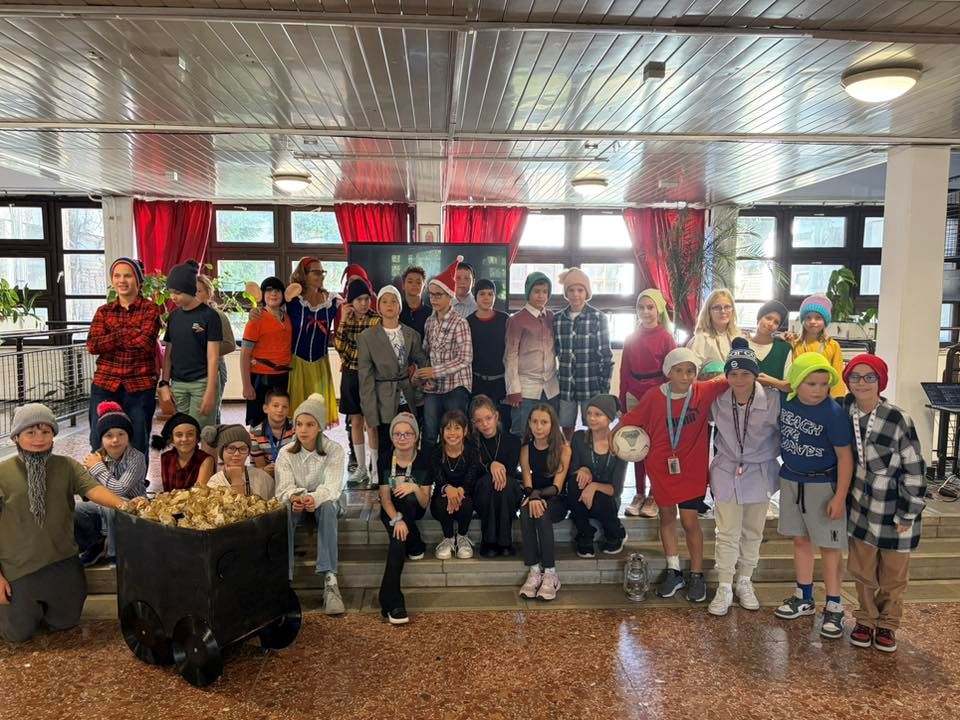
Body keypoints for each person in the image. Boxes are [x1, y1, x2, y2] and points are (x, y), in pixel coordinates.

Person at [0, 404, 127, 642]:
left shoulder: (67, 466)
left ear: (53, 435)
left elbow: (94, 489)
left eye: (45, 432)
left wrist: (124, 506)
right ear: (16, 437)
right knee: (17, 634)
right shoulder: (2, 473)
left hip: (62, 560)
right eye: (30, 432)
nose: (39, 439)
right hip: (18, 567)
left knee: (66, 621)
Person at [617, 348, 729, 604]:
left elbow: (733, 377)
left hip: (691, 469)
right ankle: (673, 569)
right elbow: (631, 419)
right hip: (661, 468)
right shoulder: (654, 397)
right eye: (679, 371)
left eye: (690, 371)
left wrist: (776, 382)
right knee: (667, 517)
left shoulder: (703, 391)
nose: (685, 376)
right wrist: (613, 436)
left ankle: (697, 574)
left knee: (690, 522)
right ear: (668, 372)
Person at [842, 355, 926, 653]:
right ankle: (865, 619)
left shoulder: (897, 418)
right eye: (855, 377)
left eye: (870, 377)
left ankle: (888, 623)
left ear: (881, 381)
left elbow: (914, 468)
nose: (862, 383)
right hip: (859, 506)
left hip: (894, 507)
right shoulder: (843, 412)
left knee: (894, 573)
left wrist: (909, 512)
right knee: (862, 569)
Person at [773, 353, 853, 640]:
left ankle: (834, 604)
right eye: (811, 384)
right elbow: (783, 384)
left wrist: (840, 496)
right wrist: (770, 379)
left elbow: (845, 458)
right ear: (797, 383)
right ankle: (804, 595)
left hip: (823, 484)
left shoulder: (833, 413)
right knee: (800, 540)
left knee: (829, 546)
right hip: (792, 479)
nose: (818, 390)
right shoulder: (788, 400)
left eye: (824, 384)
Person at [706, 340, 781, 616]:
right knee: (726, 531)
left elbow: (798, 391)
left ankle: (745, 580)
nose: (739, 379)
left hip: (759, 471)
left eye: (746, 373)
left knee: (753, 531)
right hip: (727, 470)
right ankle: (725, 584)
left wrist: (777, 382)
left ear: (756, 375)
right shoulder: (718, 399)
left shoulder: (772, 399)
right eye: (733, 374)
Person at [275, 393, 346, 615]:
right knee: (283, 511)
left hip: (325, 500)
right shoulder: (286, 453)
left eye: (309, 424)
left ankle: (330, 580)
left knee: (327, 507)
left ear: (320, 427)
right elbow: (283, 489)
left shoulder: (334, 450)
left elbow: (332, 487)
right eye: (299, 424)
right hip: (299, 500)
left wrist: (314, 499)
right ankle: (283, 581)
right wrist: (294, 498)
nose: (303, 430)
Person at [86, 257, 161, 458]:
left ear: (138, 280)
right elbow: (93, 345)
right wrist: (127, 332)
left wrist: (111, 337)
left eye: (127, 275)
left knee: (138, 440)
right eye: (117, 276)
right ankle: (101, 476)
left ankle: (135, 477)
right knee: (99, 438)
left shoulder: (151, 309)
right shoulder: (103, 311)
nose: (122, 280)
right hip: (105, 384)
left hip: (139, 385)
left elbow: (144, 344)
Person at [358, 285, 429, 482]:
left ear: (400, 306)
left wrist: (420, 380)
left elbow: (422, 361)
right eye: (385, 301)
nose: (389, 305)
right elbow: (365, 377)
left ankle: (409, 479)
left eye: (394, 301)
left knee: (409, 435)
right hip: (382, 396)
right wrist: (369, 410)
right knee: (386, 440)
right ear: (378, 306)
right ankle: (384, 481)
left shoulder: (411, 334)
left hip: (407, 393)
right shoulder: (367, 337)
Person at [620, 289, 675, 519]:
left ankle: (654, 494)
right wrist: (623, 402)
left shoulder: (666, 338)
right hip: (634, 393)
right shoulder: (631, 338)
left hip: (657, 394)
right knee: (637, 444)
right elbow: (624, 371)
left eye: (650, 307)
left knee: (655, 446)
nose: (645, 311)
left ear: (659, 310)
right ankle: (640, 493)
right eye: (641, 307)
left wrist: (668, 399)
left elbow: (671, 372)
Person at [75, 401, 148, 567]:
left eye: (121, 434)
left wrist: (97, 468)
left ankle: (114, 553)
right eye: (109, 435)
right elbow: (88, 491)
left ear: (129, 436)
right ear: (101, 439)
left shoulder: (136, 458)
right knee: (77, 509)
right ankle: (94, 544)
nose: (115, 440)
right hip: (103, 508)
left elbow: (120, 490)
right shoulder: (96, 457)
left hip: (134, 506)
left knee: (112, 506)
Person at [377, 412, 431, 625]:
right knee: (398, 541)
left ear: (416, 436)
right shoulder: (384, 458)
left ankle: (388, 598)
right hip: (391, 510)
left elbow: (425, 502)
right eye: (397, 434)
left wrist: (415, 487)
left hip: (414, 507)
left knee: (406, 498)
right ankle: (393, 601)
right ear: (392, 437)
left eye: (407, 433)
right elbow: (384, 498)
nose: (402, 438)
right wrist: (397, 520)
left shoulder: (424, 458)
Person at [414, 256, 472, 451]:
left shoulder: (460, 322)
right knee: (430, 433)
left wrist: (435, 371)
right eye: (431, 295)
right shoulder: (429, 322)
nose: (434, 299)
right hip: (433, 387)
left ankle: (457, 466)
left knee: (455, 432)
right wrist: (422, 373)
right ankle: (429, 469)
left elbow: (465, 358)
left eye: (439, 295)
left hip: (455, 386)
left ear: (450, 296)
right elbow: (426, 351)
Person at [158, 260, 223, 429]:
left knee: (202, 431)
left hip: (202, 382)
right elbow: (168, 354)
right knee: (183, 431)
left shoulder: (209, 316)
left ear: (190, 290)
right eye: (171, 292)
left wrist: (210, 391)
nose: (173, 297)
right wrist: (164, 383)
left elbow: (213, 357)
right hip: (178, 384)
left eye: (178, 293)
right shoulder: (174, 317)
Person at [518, 403, 571, 601]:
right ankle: (534, 570)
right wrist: (532, 496)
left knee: (541, 513)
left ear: (552, 424)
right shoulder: (525, 449)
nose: (538, 427)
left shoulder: (564, 449)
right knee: (525, 511)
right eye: (534, 422)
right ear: (529, 423)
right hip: (534, 496)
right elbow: (527, 484)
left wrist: (536, 496)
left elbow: (557, 487)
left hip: (556, 499)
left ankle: (550, 573)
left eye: (544, 422)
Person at [555, 267, 613, 440]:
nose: (575, 294)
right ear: (566, 293)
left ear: (586, 292)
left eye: (580, 290)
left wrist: (604, 387)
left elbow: (605, 355)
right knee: (566, 424)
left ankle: (590, 453)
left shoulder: (598, 318)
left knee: (593, 426)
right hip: (566, 384)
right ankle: (569, 451)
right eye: (571, 290)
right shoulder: (558, 319)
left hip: (591, 385)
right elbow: (557, 351)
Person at [566, 394, 628, 558]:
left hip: (606, 501)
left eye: (598, 414)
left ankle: (615, 533)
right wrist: (582, 469)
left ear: (609, 418)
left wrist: (594, 486)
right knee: (574, 482)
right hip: (582, 498)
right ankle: (585, 533)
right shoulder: (579, 437)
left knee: (601, 497)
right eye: (589, 413)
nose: (591, 418)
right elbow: (572, 470)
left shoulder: (619, 445)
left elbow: (616, 489)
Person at [335, 277, 382, 486]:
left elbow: (376, 350)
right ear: (350, 301)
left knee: (371, 423)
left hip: (369, 376)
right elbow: (340, 347)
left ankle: (376, 469)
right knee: (355, 421)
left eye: (366, 299)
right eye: (359, 300)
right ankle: (361, 467)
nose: (363, 303)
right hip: (350, 374)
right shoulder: (347, 319)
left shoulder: (376, 320)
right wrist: (343, 320)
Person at [285, 257, 340, 427]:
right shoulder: (293, 301)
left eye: (322, 272)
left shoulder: (332, 301)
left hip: (320, 363)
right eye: (316, 272)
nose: (321, 276)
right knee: (299, 412)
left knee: (318, 411)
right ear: (304, 274)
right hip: (297, 363)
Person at [505, 271, 560, 437]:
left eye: (545, 292)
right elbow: (510, 357)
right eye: (536, 291)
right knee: (522, 432)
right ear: (528, 292)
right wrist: (513, 389)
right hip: (526, 388)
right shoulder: (516, 320)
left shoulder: (551, 317)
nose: (541, 296)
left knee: (549, 434)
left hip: (551, 388)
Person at [470, 394, 522, 558]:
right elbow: (473, 471)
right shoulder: (471, 443)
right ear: (474, 423)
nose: (485, 424)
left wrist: (497, 469)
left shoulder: (513, 441)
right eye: (479, 421)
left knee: (505, 484)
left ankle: (505, 541)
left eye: (488, 418)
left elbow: (510, 471)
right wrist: (490, 465)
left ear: (496, 416)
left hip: (508, 492)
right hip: (483, 494)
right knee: (487, 483)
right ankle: (489, 541)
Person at [240, 276, 292, 427]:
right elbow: (244, 354)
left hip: (283, 375)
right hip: (261, 376)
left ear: (283, 295)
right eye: (269, 291)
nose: (273, 294)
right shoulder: (256, 319)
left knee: (279, 416)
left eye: (277, 291)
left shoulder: (286, 317)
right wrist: (246, 385)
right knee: (259, 419)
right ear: (262, 294)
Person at [429, 410, 480, 560]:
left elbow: (470, 479)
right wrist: (448, 489)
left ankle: (462, 537)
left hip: (465, 498)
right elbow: (438, 479)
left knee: (467, 502)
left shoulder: (472, 450)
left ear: (465, 430)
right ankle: (448, 538)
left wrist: (459, 491)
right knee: (441, 502)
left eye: (457, 428)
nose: (452, 433)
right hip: (442, 498)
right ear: (442, 431)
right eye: (448, 428)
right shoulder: (436, 451)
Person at [196, 274, 237, 423]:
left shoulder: (218, 316)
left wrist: (205, 351)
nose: (195, 295)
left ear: (208, 293)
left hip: (215, 369)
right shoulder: (184, 316)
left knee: (212, 413)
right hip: (191, 370)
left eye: (199, 291)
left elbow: (230, 344)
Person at [201, 424, 276, 501]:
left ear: (248, 452)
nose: (237, 453)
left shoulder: (263, 478)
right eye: (231, 448)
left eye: (243, 449)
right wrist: (236, 480)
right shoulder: (215, 482)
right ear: (221, 452)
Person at [792, 294, 846, 398]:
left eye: (818, 318)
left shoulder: (832, 346)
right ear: (802, 320)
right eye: (808, 317)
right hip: (797, 396)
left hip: (823, 396)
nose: (812, 322)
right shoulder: (794, 344)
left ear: (825, 321)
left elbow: (838, 375)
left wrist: (838, 398)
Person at [466, 279, 509, 409]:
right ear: (475, 296)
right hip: (477, 382)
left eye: (490, 294)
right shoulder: (468, 322)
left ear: (495, 297)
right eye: (482, 294)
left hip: (501, 382)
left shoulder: (505, 319)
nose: (486, 298)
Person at [151, 412, 215, 493]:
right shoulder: (166, 457)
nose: (184, 439)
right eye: (179, 435)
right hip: (172, 500)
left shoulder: (206, 460)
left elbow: (198, 492)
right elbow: (167, 490)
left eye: (190, 434)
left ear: (197, 438)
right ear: (172, 439)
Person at [688, 288, 742, 369]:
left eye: (727, 307)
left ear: (733, 310)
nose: (723, 311)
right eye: (717, 307)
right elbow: (692, 370)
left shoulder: (738, 335)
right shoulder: (701, 339)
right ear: (708, 312)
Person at [249, 388, 296, 477]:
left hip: (292, 473)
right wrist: (265, 470)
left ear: (289, 410)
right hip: (267, 476)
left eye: (285, 407)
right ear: (265, 408)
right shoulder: (255, 434)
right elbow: (260, 467)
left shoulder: (296, 428)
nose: (280, 410)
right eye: (275, 406)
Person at [749, 300, 792, 380]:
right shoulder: (742, 346)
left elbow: (788, 383)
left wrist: (768, 381)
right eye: (768, 318)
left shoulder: (784, 349)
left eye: (776, 322)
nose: (771, 324)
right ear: (759, 318)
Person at [398, 265, 431, 340]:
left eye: (418, 282)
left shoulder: (431, 314)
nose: (414, 285)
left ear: (424, 286)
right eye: (410, 282)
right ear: (403, 285)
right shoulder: (396, 310)